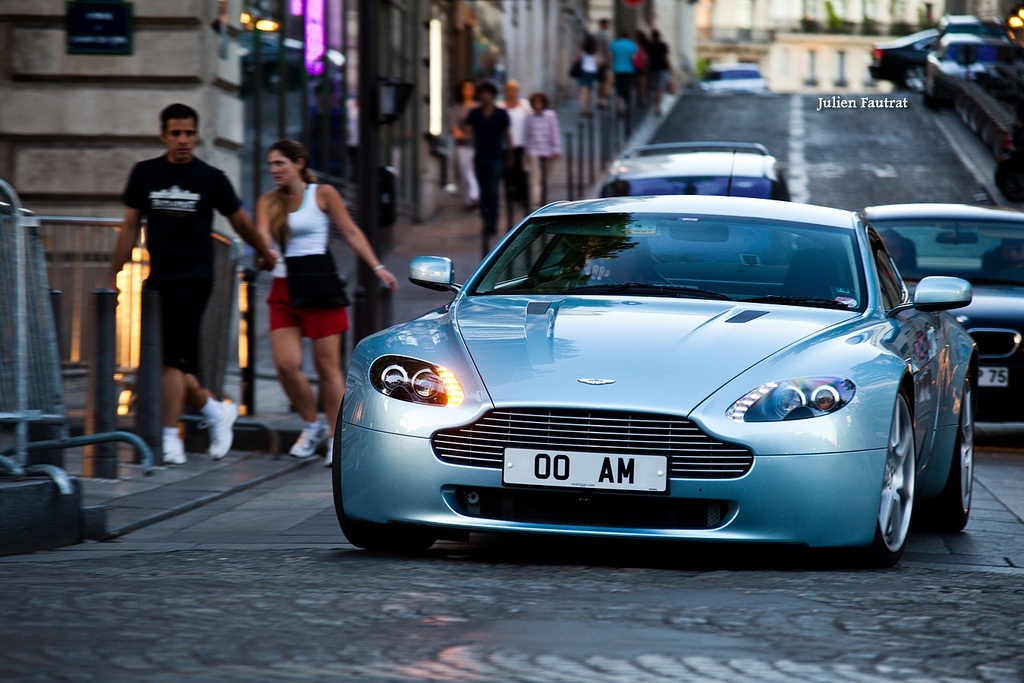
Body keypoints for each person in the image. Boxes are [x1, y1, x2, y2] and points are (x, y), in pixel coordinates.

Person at [108, 103, 279, 465]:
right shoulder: (145, 174)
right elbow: (128, 228)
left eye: (189, 133)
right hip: (158, 278)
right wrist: (113, 273)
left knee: (170, 358)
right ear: (163, 135)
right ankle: (213, 409)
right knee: (167, 359)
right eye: (176, 133)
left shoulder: (211, 178)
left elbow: (241, 221)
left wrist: (263, 251)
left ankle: (171, 437)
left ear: (197, 135)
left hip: (195, 278)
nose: (183, 140)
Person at [257, 140, 398, 467]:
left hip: (319, 285)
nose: (274, 170)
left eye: (280, 163)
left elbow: (350, 231)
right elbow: (262, 238)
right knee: (286, 365)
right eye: (271, 165)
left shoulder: (323, 194)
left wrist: (377, 267)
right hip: (283, 286)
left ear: (299, 163)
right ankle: (312, 424)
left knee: (327, 368)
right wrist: (265, 255)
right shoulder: (267, 202)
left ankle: (337, 439)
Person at [462, 80, 512, 236]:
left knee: (493, 189)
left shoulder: (501, 114)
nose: (485, 97)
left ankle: (492, 223)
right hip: (480, 157)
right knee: (484, 191)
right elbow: (467, 132)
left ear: (492, 96)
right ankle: (485, 219)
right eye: (482, 94)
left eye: (488, 94)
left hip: (496, 156)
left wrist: (510, 155)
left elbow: (506, 135)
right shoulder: (475, 114)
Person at [523, 92, 561, 209]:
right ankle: (536, 202)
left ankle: (544, 199)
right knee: (536, 177)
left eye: (540, 102)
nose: (538, 105)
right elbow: (527, 134)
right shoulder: (529, 117)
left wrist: (556, 148)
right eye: (535, 102)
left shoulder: (550, 115)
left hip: (547, 151)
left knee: (545, 177)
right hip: (534, 151)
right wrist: (527, 151)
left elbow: (554, 132)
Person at [501, 80, 533, 210]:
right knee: (508, 173)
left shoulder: (524, 105)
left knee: (522, 173)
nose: (512, 93)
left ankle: (522, 198)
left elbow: (531, 121)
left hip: (522, 144)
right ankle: (510, 198)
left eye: (515, 90)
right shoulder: (501, 106)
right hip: (505, 146)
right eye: (509, 90)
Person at [451, 79, 480, 209]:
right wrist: (461, 135)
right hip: (463, 144)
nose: (469, 91)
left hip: (478, 144)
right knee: (464, 172)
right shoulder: (457, 108)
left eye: (471, 88)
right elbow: (454, 125)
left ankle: (475, 196)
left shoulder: (478, 106)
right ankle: (468, 199)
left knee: (473, 171)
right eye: (466, 88)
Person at [608, 31, 639, 114]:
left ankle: (619, 106)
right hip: (629, 70)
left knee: (619, 87)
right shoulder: (632, 45)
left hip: (617, 69)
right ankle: (627, 104)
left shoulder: (614, 44)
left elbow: (611, 57)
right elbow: (634, 58)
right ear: (627, 37)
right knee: (627, 87)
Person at [573, 34, 603, 116]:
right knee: (590, 91)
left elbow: (576, 60)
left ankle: (583, 108)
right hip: (593, 72)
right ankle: (589, 109)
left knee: (583, 90)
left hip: (584, 72)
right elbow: (599, 63)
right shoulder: (595, 52)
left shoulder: (582, 50)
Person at [646, 29, 671, 116]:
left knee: (654, 88)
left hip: (652, 69)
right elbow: (666, 58)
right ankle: (657, 106)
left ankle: (655, 105)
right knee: (660, 88)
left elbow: (647, 59)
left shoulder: (650, 46)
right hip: (662, 68)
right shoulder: (663, 45)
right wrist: (670, 68)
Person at [593, 18, 614, 109]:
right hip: (605, 61)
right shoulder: (608, 35)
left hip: (597, 60)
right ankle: (603, 100)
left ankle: (599, 99)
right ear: (606, 25)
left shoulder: (596, 35)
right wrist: (610, 62)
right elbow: (609, 50)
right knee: (605, 81)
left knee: (600, 81)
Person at [633, 30, 651, 107]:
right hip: (641, 66)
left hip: (638, 66)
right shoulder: (643, 46)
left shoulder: (637, 46)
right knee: (642, 82)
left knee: (640, 82)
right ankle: (641, 98)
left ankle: (640, 98)